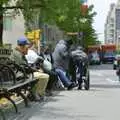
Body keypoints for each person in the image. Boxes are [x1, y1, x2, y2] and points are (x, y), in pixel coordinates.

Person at [10, 37, 49, 101]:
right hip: (19, 76)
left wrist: (34, 69)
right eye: (27, 48)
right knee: (45, 76)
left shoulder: (18, 53)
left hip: (20, 74)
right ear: (22, 47)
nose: (28, 49)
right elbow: (24, 67)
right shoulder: (18, 54)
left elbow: (24, 66)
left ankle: (34, 94)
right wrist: (36, 70)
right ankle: (39, 94)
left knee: (38, 75)